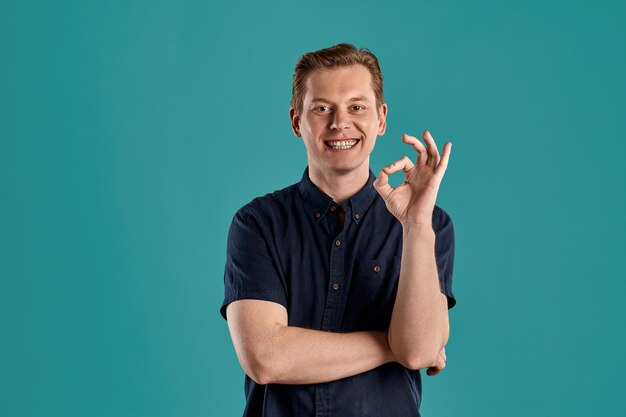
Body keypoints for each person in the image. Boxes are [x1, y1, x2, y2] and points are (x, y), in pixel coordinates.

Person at [220, 43, 456, 417]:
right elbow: (265, 357)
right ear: (297, 121)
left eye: (356, 107)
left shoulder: (431, 224)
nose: (339, 122)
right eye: (322, 108)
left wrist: (416, 226)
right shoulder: (257, 224)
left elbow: (418, 350)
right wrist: (391, 343)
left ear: (381, 118)